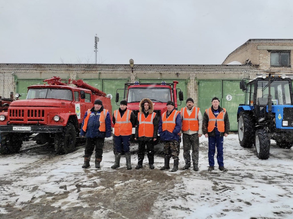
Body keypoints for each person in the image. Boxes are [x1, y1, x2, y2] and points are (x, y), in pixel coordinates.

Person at [80, 99, 111, 169]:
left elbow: (108, 123)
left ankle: (97, 162)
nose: (97, 106)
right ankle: (86, 162)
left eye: (99, 105)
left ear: (101, 105)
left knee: (99, 149)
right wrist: (82, 132)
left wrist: (108, 133)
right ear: (94, 105)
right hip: (89, 134)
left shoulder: (105, 112)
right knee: (88, 148)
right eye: (96, 104)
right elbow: (84, 123)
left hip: (100, 134)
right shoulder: (88, 112)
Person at [202, 97, 230, 172]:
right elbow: (204, 122)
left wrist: (226, 131)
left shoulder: (223, 111)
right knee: (211, 150)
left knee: (220, 150)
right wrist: (205, 132)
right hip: (211, 133)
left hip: (220, 133)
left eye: (216, 102)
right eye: (214, 102)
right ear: (212, 103)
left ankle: (221, 165)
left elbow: (226, 122)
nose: (215, 103)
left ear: (219, 103)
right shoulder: (207, 111)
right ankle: (211, 165)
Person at [134, 98, 159, 169]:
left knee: (150, 151)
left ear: (150, 106)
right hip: (141, 135)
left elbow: (155, 126)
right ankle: (139, 164)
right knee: (140, 151)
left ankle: (151, 164)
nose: (146, 106)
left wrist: (155, 136)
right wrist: (136, 135)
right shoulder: (139, 114)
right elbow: (137, 126)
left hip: (149, 136)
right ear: (142, 106)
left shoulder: (154, 115)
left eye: (147, 105)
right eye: (145, 105)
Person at [111, 100, 136, 170]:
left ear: (126, 106)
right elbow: (113, 121)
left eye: (123, 105)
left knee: (126, 148)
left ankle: (128, 164)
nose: (122, 106)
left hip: (126, 134)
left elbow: (134, 122)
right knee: (117, 148)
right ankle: (116, 163)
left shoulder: (130, 113)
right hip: (117, 134)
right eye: (121, 105)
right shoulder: (115, 112)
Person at [159, 101, 182, 172]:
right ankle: (166, 165)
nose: (169, 107)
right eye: (168, 105)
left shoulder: (177, 114)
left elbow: (179, 126)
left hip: (173, 137)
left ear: (173, 107)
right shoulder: (163, 115)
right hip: (165, 136)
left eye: (170, 105)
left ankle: (175, 166)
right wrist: (161, 133)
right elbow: (160, 125)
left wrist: (173, 132)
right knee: (166, 152)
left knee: (174, 152)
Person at [180, 98, 202, 171]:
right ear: (186, 103)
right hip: (186, 133)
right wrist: (180, 131)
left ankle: (195, 165)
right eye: (188, 102)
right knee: (186, 150)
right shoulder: (182, 110)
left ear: (193, 103)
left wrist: (200, 131)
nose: (189, 103)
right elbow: (179, 121)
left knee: (195, 150)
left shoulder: (197, 110)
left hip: (194, 133)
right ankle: (187, 164)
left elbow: (200, 121)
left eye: (191, 102)